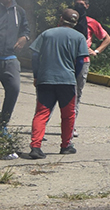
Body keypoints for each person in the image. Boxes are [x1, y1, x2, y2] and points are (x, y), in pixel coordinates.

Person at [27, 9, 90, 159]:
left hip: (45, 79)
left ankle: (35, 146)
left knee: (41, 113)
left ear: (61, 19)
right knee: (68, 115)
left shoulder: (47, 33)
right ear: (75, 23)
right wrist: (73, 76)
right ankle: (65, 146)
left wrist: (36, 75)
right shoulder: (79, 37)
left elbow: (35, 55)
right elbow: (81, 60)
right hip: (67, 81)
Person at [70, 0, 110, 132]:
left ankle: (71, 126)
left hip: (83, 60)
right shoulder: (67, 19)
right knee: (57, 90)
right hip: (67, 58)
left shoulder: (91, 22)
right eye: (77, 4)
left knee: (77, 93)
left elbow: (107, 38)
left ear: (87, 6)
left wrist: (96, 51)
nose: (79, 7)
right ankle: (45, 125)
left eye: (82, 5)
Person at [1, 0, 32, 133]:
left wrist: (24, 38)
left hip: (10, 58)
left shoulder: (19, 11)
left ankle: (3, 123)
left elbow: (26, 30)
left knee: (14, 89)